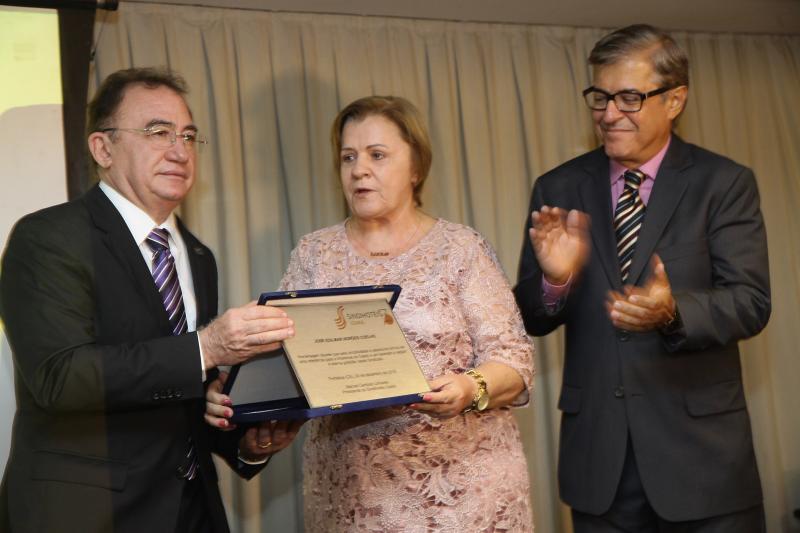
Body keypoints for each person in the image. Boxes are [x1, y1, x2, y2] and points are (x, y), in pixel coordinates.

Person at [206, 95, 535, 531]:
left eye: (377, 155)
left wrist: (469, 387)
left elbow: (515, 360)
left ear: (416, 168)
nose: (359, 169)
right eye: (348, 157)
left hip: (463, 496)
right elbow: (281, 361)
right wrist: (237, 399)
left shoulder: (460, 249)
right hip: (350, 496)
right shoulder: (314, 253)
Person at [0, 67, 300, 533]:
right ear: (103, 148)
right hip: (88, 515)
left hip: (192, 510)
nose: (179, 151)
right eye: (158, 133)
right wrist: (207, 347)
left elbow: (182, 388)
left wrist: (242, 440)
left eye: (188, 136)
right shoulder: (48, 238)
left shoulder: (197, 254)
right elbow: (60, 378)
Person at [514, 24, 770, 532]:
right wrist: (555, 282)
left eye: (629, 98)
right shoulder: (558, 186)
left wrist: (673, 312)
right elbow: (529, 316)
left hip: (704, 462)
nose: (609, 114)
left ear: (674, 100)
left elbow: (750, 301)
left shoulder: (723, 183)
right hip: (600, 463)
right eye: (600, 97)